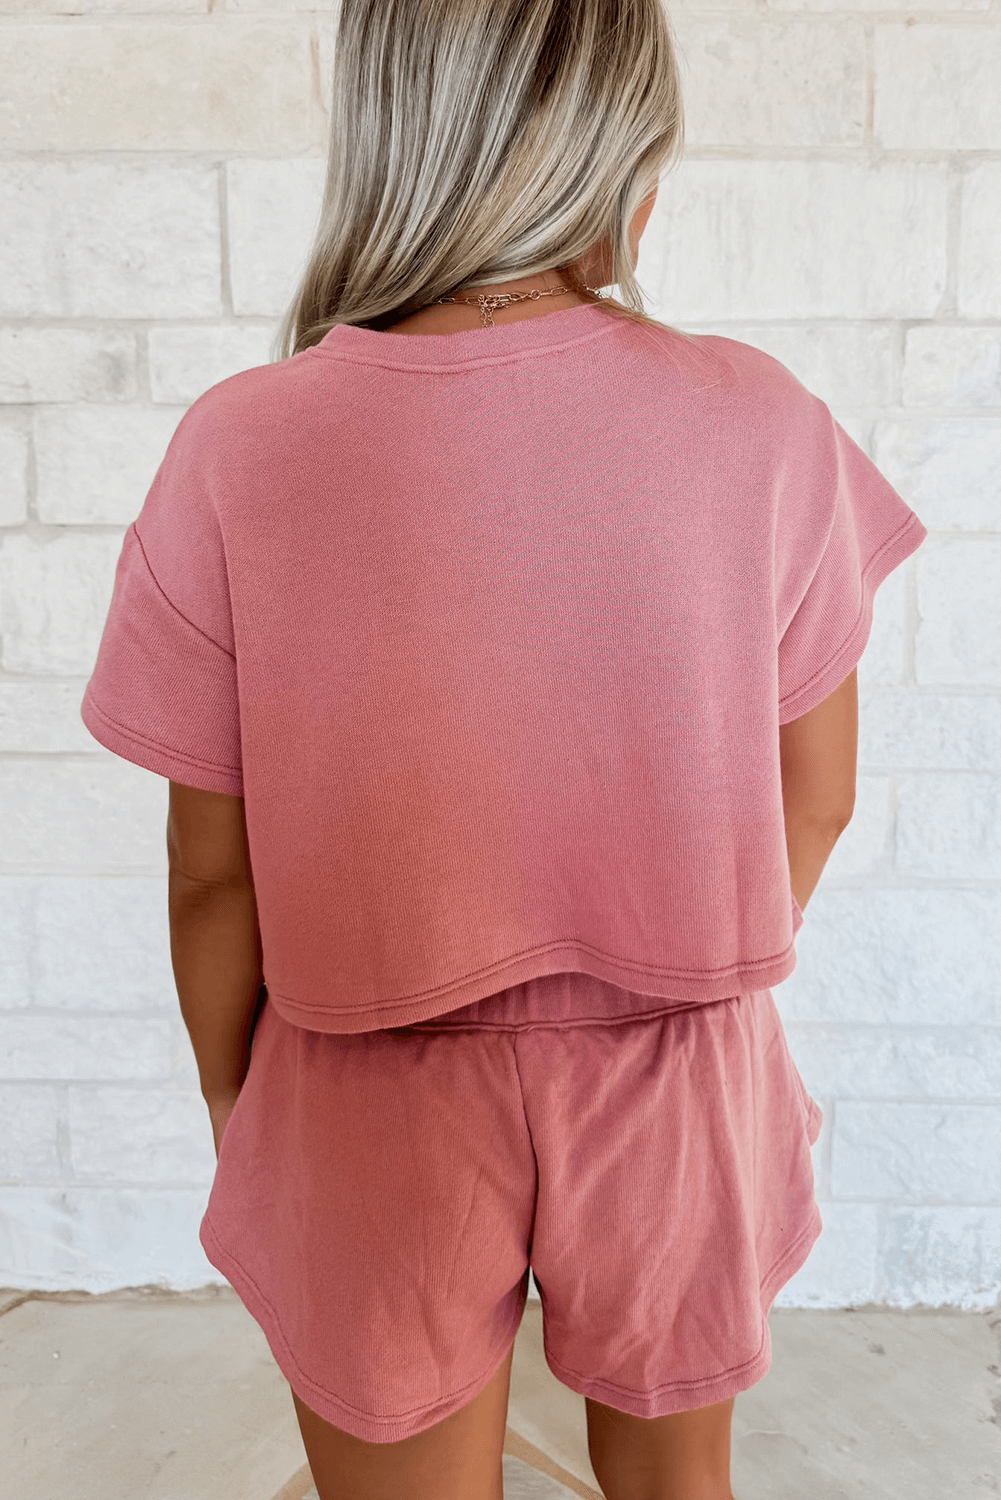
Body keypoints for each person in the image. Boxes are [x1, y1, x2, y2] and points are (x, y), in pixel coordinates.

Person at [79, 1, 929, 1496]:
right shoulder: (761, 423)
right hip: (680, 1067)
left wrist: (243, 1105)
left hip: (364, 1083)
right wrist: (676, 965)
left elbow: (213, 879)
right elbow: (817, 791)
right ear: (616, 166)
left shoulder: (243, 445)